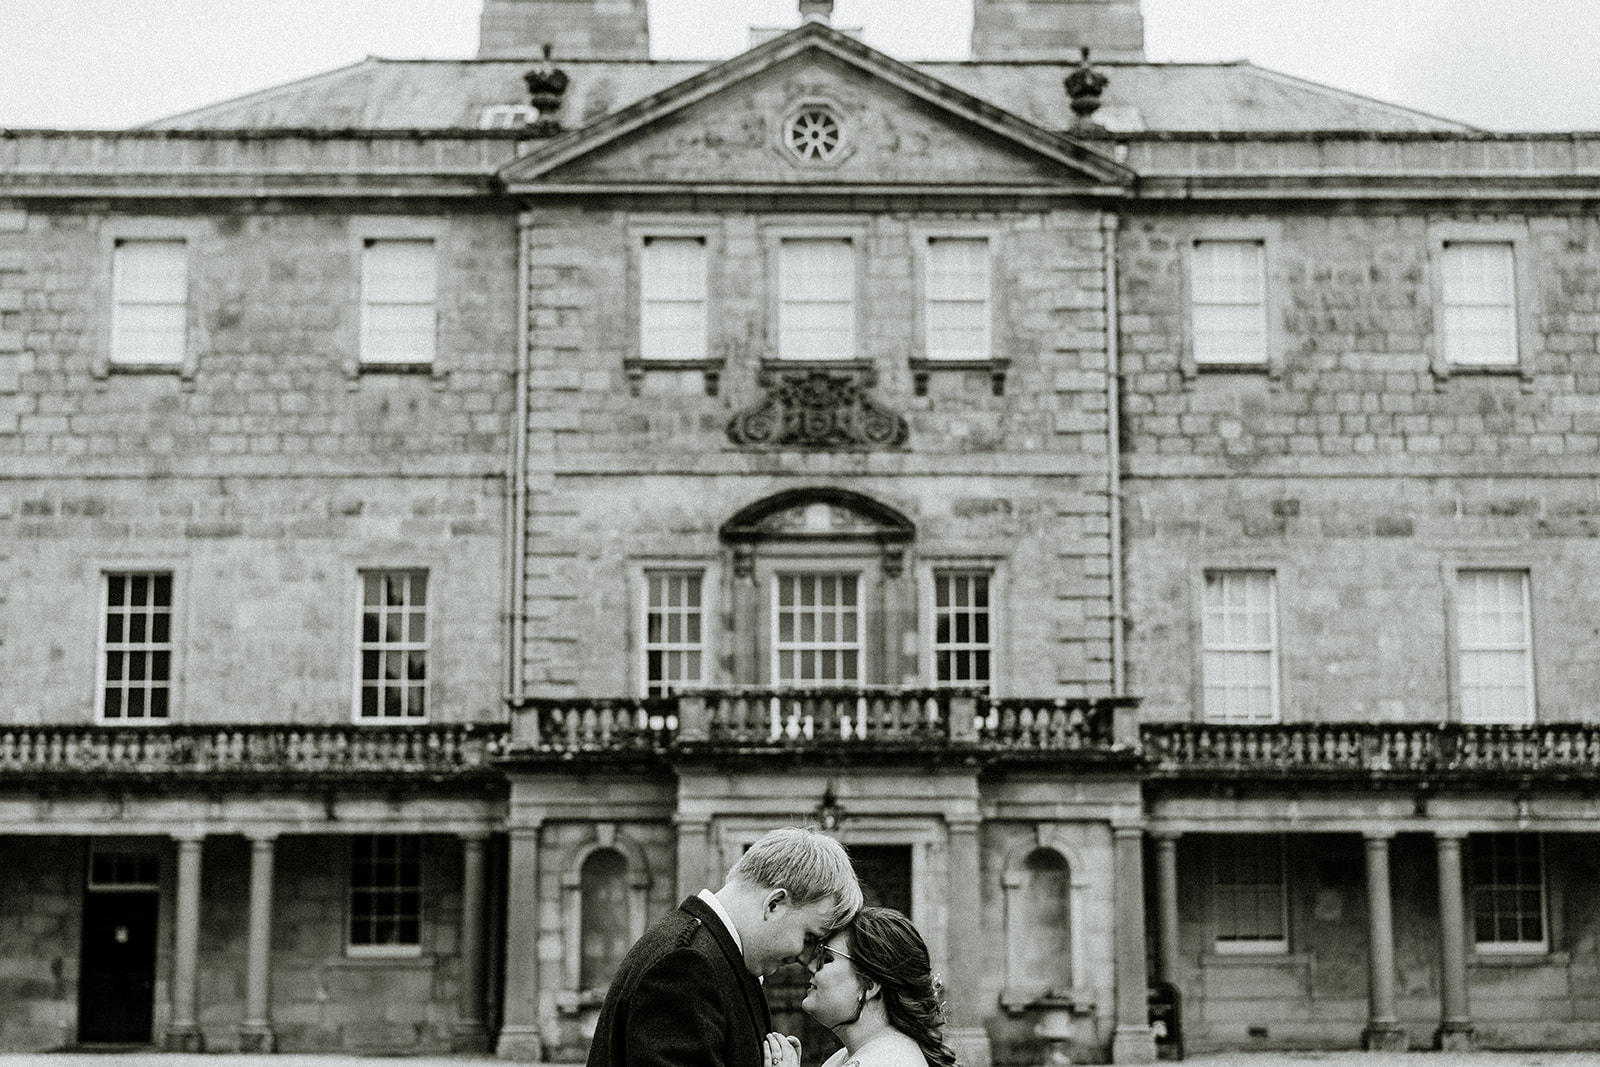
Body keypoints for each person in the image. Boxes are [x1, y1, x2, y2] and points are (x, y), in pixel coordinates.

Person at [587, 825, 863, 1067]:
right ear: (774, 904)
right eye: (809, 938)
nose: (805, 958)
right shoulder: (687, 965)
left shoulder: (715, 957)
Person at [782, 905, 959, 1067]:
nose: (811, 966)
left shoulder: (886, 1061)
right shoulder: (850, 1056)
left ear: (870, 985)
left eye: (826, 959)